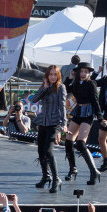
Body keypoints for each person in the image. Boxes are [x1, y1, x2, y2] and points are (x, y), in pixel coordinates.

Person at [31, 65, 67, 193]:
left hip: (54, 123)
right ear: (47, 76)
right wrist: (44, 88)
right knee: (41, 151)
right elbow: (34, 100)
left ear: (58, 76)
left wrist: (64, 123)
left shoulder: (60, 88)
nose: (52, 76)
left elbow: (62, 106)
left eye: (54, 74)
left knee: (48, 151)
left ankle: (57, 179)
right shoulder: (44, 87)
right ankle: (46, 176)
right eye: (50, 74)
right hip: (43, 122)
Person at [65, 61, 102, 184]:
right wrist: (70, 77)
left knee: (81, 143)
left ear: (89, 73)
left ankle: (94, 171)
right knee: (68, 140)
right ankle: (72, 168)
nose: (83, 74)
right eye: (81, 71)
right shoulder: (75, 83)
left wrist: (100, 118)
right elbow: (64, 88)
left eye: (86, 72)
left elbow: (96, 101)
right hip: (78, 111)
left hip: (88, 113)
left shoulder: (91, 84)